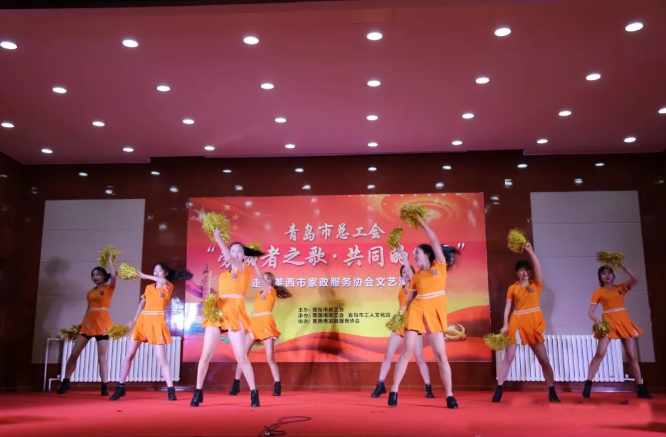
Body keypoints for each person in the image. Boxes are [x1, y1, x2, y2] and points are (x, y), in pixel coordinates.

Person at [388, 215, 459, 409]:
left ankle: (449, 395)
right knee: (407, 351)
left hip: (434, 313)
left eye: (417, 253)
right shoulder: (416, 276)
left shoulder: (439, 266)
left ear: (427, 254)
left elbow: (434, 240)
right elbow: (410, 298)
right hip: (417, 310)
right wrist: (402, 311)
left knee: (441, 356)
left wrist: (420, 221)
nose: (415, 257)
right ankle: (394, 391)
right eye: (413, 254)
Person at [190, 230, 263, 408]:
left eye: (239, 251)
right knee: (205, 355)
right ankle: (198, 392)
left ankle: (254, 392)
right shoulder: (223, 275)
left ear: (243, 255)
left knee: (241, 356)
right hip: (219, 312)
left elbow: (230, 259)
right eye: (233, 251)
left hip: (235, 313)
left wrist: (218, 238)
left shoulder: (244, 269)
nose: (236, 254)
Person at [109, 263, 192, 401]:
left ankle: (171, 390)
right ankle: (120, 387)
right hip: (143, 321)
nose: (156, 272)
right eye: (155, 270)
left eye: (159, 270)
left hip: (157, 322)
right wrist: (134, 321)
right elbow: (142, 304)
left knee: (162, 358)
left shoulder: (167, 286)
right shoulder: (148, 288)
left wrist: (143, 275)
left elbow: (162, 281)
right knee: (129, 355)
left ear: (166, 273)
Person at [492, 243, 560, 403]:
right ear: (517, 272)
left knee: (543, 360)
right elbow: (507, 307)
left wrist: (530, 251)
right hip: (516, 321)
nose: (524, 273)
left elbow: (538, 267)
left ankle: (552, 391)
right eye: (521, 270)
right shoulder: (512, 288)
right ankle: (499, 389)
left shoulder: (536, 285)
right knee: (508, 358)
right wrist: (505, 324)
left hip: (533, 323)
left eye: (526, 270)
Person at [370, 245, 434, 399]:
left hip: (413, 321)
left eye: (407, 271)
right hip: (399, 321)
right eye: (403, 272)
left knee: (419, 358)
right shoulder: (402, 288)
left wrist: (401, 252)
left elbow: (410, 270)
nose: (406, 274)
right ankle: (380, 384)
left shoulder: (415, 283)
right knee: (388, 354)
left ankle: (428, 387)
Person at [583, 265, 651, 399]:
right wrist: (598, 323)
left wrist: (623, 267)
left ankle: (640, 387)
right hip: (608, 324)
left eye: (609, 273)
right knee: (600, 353)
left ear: (613, 276)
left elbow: (635, 279)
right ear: (600, 277)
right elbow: (590, 312)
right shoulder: (598, 292)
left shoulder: (621, 288)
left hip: (624, 322)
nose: (607, 275)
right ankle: (588, 383)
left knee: (632, 356)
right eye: (604, 273)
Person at [229, 267, 292, 397]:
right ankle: (236, 384)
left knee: (270, 358)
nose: (264, 279)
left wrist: (254, 264)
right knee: (242, 355)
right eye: (264, 278)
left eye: (267, 278)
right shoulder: (259, 294)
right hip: (255, 323)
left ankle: (277, 384)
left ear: (271, 281)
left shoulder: (271, 291)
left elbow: (259, 277)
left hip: (266, 324)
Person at [57, 261, 117, 396]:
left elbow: (114, 276)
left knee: (102, 357)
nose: (95, 277)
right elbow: (89, 309)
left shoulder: (109, 288)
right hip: (88, 324)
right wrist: (82, 322)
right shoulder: (90, 292)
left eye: (98, 274)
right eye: (93, 275)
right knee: (74, 354)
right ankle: (66, 382)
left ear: (103, 276)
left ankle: (104, 386)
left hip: (102, 325)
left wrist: (110, 261)